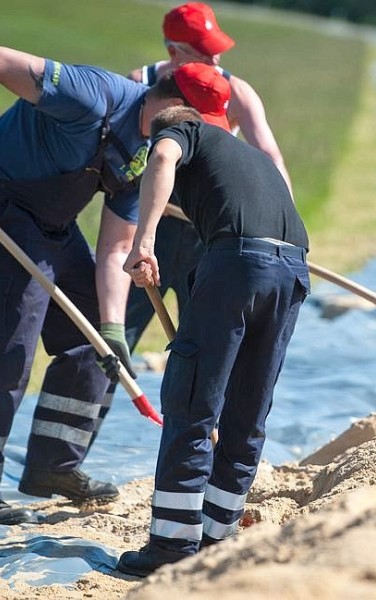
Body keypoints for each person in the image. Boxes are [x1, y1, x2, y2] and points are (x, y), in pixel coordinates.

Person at [0, 43, 231, 526]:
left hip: (53, 227)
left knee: (94, 338)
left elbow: (116, 248)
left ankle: (52, 467)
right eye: (195, 124)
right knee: (10, 348)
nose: (196, 140)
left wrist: (114, 332)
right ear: (170, 105)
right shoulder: (90, 95)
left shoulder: (143, 153)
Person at [116, 105, 309, 576]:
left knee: (192, 402)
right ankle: (216, 540)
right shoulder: (247, 156)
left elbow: (161, 158)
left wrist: (144, 241)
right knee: (247, 410)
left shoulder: (184, 132)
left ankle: (170, 548)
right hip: (293, 267)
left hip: (238, 263)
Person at [100, 3, 293, 414]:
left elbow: (270, 156)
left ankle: (203, 445)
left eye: (216, 48)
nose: (216, 59)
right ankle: (69, 457)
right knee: (110, 345)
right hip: (148, 234)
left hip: (209, 237)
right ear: (174, 52)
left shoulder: (234, 90)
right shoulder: (142, 85)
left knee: (206, 352)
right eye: (203, 52)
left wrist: (284, 224)